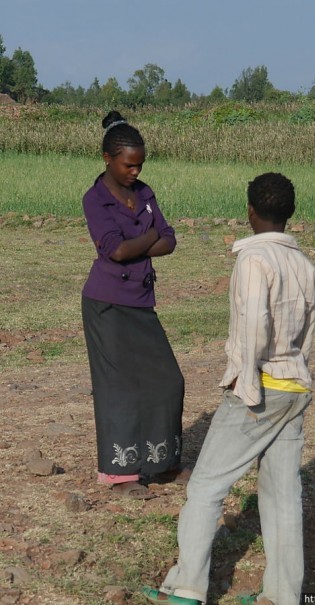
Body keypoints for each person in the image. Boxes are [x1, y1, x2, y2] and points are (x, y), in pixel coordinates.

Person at [143, 172, 315, 604]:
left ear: (250, 211)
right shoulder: (306, 266)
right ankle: (282, 595)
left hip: (259, 388)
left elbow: (251, 331)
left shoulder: (252, 261)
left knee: (206, 487)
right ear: (289, 214)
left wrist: (246, 385)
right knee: (283, 497)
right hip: (296, 388)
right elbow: (308, 336)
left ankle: (187, 588)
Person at [82, 110, 189, 500]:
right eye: (129, 164)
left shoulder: (144, 193)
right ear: (107, 159)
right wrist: (149, 236)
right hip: (106, 305)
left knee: (167, 379)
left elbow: (171, 239)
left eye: (140, 164)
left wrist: (140, 242)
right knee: (118, 388)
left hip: (140, 301)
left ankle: (162, 463)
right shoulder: (95, 199)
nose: (135, 171)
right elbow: (116, 250)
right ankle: (121, 474)